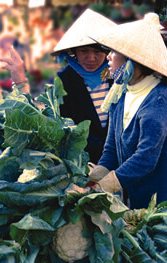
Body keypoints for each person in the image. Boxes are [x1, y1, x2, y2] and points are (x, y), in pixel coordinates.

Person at [88, 13, 167, 209]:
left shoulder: (161, 100)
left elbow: (145, 159)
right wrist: (94, 177)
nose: (109, 57)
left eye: (114, 51)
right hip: (141, 202)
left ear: (133, 59)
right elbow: (112, 150)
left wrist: (105, 185)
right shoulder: (120, 95)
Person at [52, 9, 116, 163]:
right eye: (84, 51)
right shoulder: (64, 80)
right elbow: (64, 126)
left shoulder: (116, 74)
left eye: (97, 52)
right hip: (82, 162)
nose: (91, 58)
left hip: (118, 160)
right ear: (74, 52)